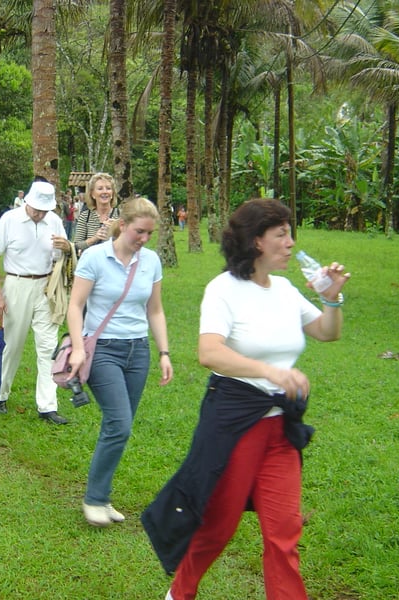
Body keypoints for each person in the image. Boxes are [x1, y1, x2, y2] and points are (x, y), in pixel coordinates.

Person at [142, 198, 350, 600]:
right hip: (235, 424)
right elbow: (209, 352)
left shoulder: (286, 290)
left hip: (279, 430)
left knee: (284, 532)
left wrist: (333, 298)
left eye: (290, 233)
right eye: (281, 234)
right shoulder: (224, 290)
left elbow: (327, 331)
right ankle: (178, 594)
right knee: (218, 526)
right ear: (256, 241)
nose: (291, 242)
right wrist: (271, 372)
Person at [66, 197, 173, 527]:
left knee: (118, 427)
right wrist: (79, 348)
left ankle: (101, 495)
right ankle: (95, 499)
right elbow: (75, 305)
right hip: (103, 351)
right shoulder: (95, 258)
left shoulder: (151, 261)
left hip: (137, 351)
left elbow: (154, 309)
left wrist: (164, 353)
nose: (143, 239)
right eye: (139, 232)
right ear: (122, 225)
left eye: (149, 234)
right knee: (120, 424)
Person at [0, 180, 72, 425]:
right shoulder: (10, 219)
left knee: (47, 346)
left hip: (47, 286)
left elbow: (64, 253)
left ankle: (47, 406)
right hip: (16, 284)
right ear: (27, 202)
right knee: (12, 344)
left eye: (44, 210)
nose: (39, 213)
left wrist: (65, 247)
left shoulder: (54, 221)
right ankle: (1, 394)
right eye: (36, 209)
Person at [72, 172, 121, 256]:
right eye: (100, 188)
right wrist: (95, 238)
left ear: (112, 193)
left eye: (108, 188)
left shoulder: (121, 215)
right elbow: (77, 245)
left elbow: (131, 242)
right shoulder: (85, 216)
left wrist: (116, 230)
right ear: (92, 194)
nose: (105, 192)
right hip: (91, 265)